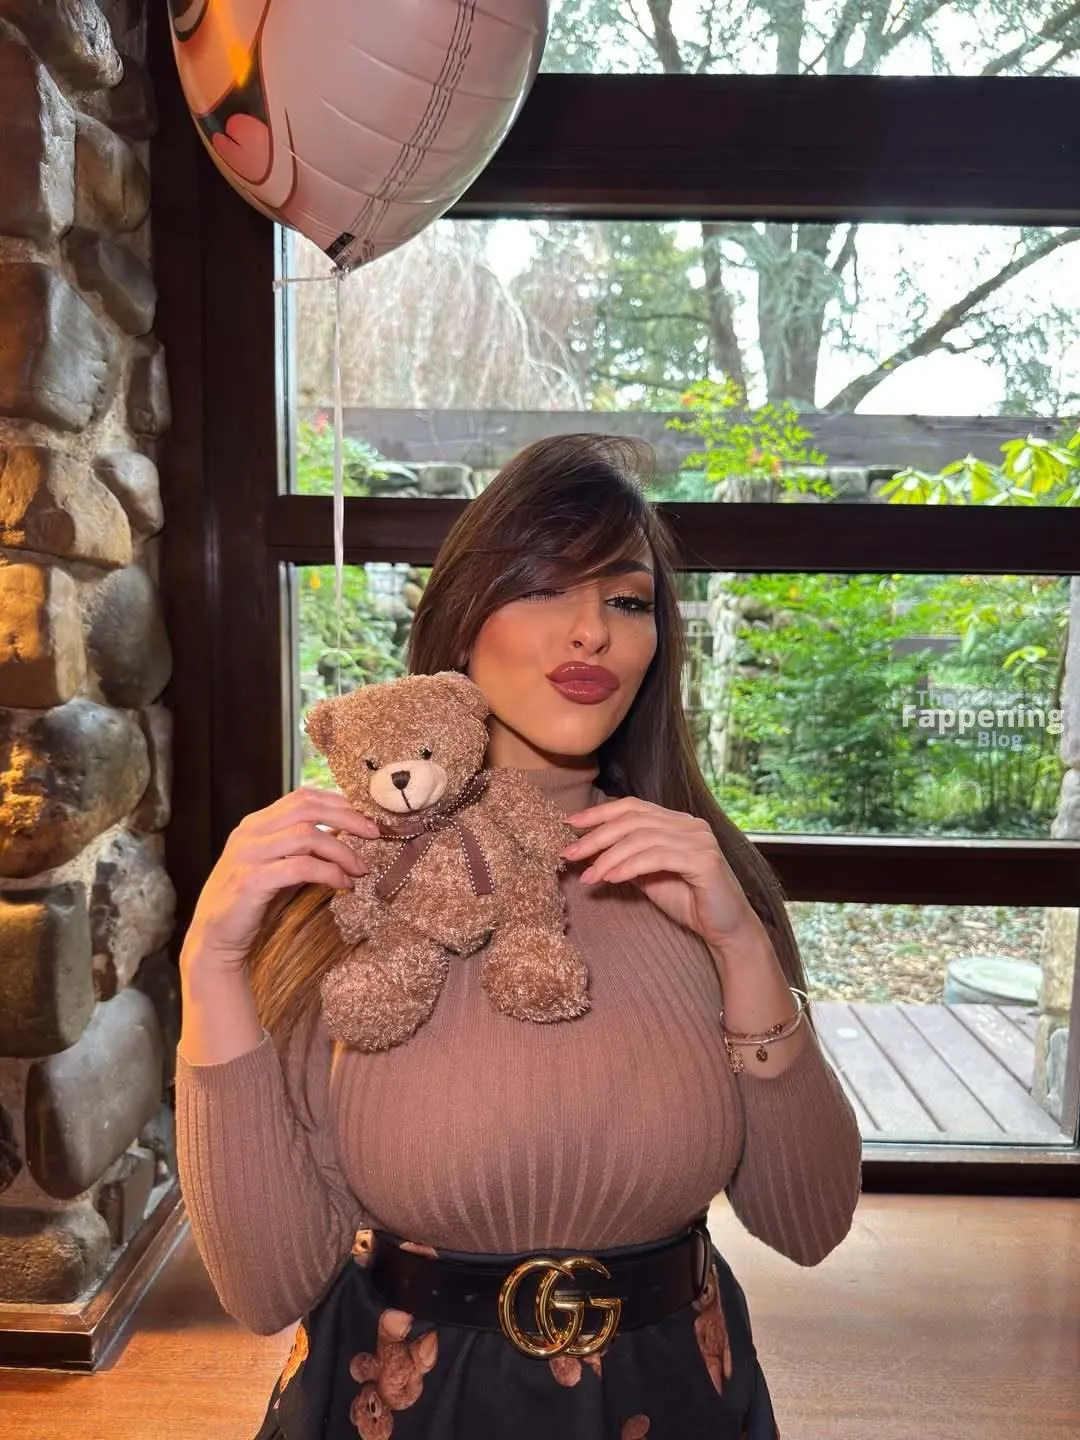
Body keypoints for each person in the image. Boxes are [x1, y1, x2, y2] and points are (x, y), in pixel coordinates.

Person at [175, 433, 863, 1440]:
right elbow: (267, 1286)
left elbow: (809, 1222)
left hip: (678, 1402)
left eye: (627, 600)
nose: (591, 631)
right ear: (462, 622)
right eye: (543, 587)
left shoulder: (700, 879)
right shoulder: (352, 883)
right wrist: (211, 967)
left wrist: (745, 949)